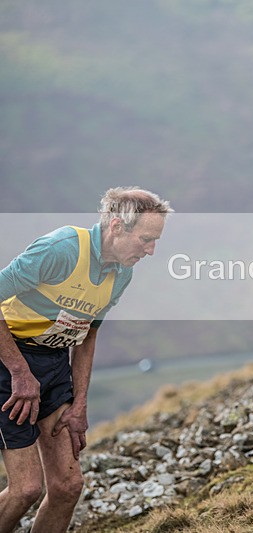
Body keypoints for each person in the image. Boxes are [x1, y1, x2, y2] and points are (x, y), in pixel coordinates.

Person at [0, 187, 172, 533]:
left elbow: (87, 333)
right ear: (116, 227)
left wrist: (80, 404)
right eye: (146, 239)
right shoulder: (60, 249)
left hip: (53, 364)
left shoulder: (122, 270)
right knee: (27, 488)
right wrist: (19, 370)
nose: (151, 250)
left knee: (67, 487)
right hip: (9, 361)